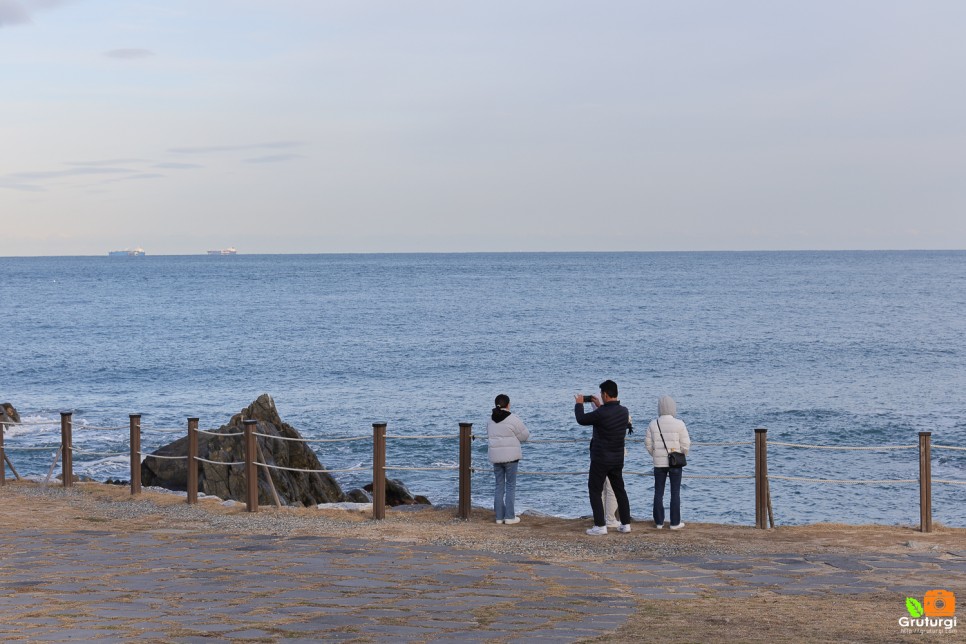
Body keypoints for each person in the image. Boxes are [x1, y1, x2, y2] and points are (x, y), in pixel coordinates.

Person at [574, 380, 632, 535]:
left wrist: (579, 403)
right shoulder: (623, 411)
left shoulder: (601, 413)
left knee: (594, 490)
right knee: (620, 489)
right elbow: (607, 415)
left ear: (605, 394)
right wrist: (599, 405)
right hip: (617, 458)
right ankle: (625, 524)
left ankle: (600, 526)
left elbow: (581, 419)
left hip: (600, 459)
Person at [645, 395, 691, 530]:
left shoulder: (653, 424)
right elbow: (686, 444)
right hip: (675, 463)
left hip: (659, 464)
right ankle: (675, 523)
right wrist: (681, 454)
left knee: (658, 492)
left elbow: (648, 443)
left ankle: (659, 522)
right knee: (675, 492)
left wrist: (655, 454)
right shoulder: (679, 423)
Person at [486, 394, 530, 525]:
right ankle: (510, 516)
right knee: (510, 486)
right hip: (511, 458)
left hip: (496, 457)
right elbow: (525, 436)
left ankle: (499, 517)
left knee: (499, 486)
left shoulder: (490, 420)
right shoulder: (513, 419)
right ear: (508, 404)